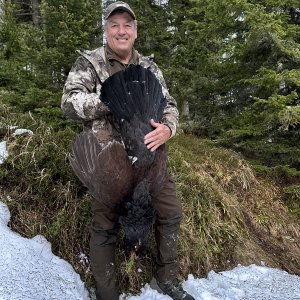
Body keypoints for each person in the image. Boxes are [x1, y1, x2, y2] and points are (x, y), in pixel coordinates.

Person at [61, 2, 194, 300]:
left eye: (127, 25)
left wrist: (168, 129)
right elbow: (69, 103)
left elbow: (169, 104)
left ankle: (166, 279)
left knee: (170, 212)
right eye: (114, 25)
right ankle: (107, 293)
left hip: (149, 154)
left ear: (135, 31)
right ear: (106, 30)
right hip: (108, 157)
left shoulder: (148, 66)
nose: (121, 31)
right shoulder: (90, 62)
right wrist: (109, 100)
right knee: (105, 225)